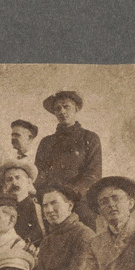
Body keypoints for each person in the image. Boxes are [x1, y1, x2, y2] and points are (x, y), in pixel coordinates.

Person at [34, 91, 103, 223]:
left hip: (80, 203)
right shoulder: (46, 142)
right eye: (57, 108)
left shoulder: (89, 138)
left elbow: (93, 174)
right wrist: (50, 196)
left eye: (66, 107)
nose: (62, 111)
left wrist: (69, 194)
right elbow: (39, 174)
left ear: (76, 109)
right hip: (52, 204)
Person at [0, 160, 46, 247]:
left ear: (29, 182)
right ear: (5, 185)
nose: (14, 183)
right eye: (9, 179)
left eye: (18, 177)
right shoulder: (1, 210)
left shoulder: (40, 208)